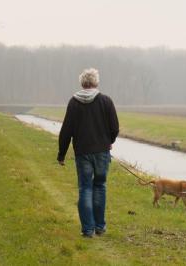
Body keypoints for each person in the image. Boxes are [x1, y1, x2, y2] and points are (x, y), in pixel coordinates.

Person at [57, 68, 119, 238]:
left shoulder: (73, 102)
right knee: (100, 186)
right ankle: (99, 226)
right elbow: (115, 128)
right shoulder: (106, 101)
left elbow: (66, 131)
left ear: (82, 84)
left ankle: (88, 230)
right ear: (96, 83)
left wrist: (61, 154)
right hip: (101, 152)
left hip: (82, 153)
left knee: (85, 188)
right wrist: (109, 142)